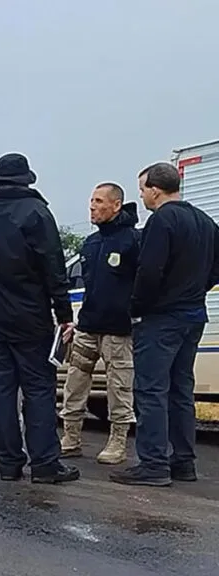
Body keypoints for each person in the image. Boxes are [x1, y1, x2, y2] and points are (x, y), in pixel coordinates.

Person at [0, 153, 79, 483]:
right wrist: (64, 314)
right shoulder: (36, 213)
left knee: (0, 390)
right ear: (27, 180)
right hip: (30, 317)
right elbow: (53, 268)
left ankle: (8, 463)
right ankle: (44, 464)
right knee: (39, 389)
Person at [110, 162, 219, 487]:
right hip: (193, 315)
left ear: (155, 190)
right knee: (181, 389)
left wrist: (137, 307)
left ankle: (153, 463)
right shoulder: (205, 221)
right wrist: (196, 289)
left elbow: (150, 270)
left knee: (151, 389)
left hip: (161, 317)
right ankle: (183, 461)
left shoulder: (161, 221)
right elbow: (217, 268)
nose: (141, 195)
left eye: (142, 189)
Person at [60, 183, 139, 465]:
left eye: (98, 201)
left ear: (116, 205)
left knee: (119, 387)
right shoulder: (91, 243)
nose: (92, 206)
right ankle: (70, 438)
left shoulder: (133, 240)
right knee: (75, 383)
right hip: (87, 327)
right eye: (91, 201)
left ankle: (117, 442)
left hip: (119, 330)